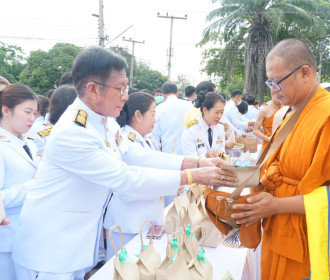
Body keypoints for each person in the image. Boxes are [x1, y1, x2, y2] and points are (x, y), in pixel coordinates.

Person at [12, 46, 237, 280]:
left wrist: (195, 162)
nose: (126, 96)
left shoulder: (105, 123)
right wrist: (194, 177)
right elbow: (125, 178)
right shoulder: (74, 132)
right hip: (49, 251)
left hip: (72, 246)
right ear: (92, 90)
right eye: (120, 88)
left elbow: (135, 155)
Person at [232, 38, 330, 279]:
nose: (272, 90)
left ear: (305, 72)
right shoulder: (286, 114)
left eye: (277, 82)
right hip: (285, 233)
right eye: (269, 82)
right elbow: (278, 168)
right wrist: (237, 175)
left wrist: (277, 205)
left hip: (321, 241)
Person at [104, 92, 165, 260]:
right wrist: (166, 185)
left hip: (144, 221)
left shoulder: (144, 139)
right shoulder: (125, 141)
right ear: (138, 115)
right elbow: (126, 189)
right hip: (129, 224)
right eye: (153, 114)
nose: (155, 120)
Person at [0, 84, 38, 280]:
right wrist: (36, 186)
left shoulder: (28, 142)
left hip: (28, 236)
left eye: (35, 112)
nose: (33, 118)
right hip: (5, 240)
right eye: (27, 112)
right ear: (6, 110)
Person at [152, 82, 193, 155]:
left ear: (163, 95)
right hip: (189, 151)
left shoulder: (158, 109)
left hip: (168, 153)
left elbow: (155, 137)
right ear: (177, 93)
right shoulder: (189, 105)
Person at [182, 92, 225, 157]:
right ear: (205, 110)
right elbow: (191, 159)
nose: (220, 116)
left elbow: (222, 151)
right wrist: (206, 155)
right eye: (217, 112)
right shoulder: (190, 130)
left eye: (222, 112)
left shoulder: (220, 127)